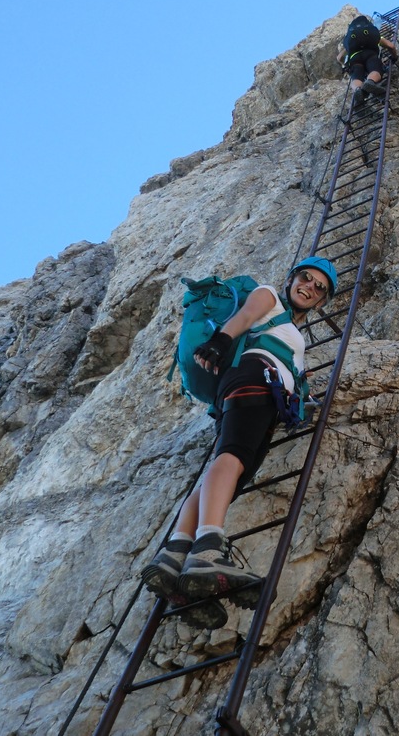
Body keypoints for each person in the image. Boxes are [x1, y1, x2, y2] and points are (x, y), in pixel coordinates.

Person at [141, 256, 339, 628]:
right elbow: (246, 316)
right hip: (256, 378)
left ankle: (175, 553)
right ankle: (207, 550)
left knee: (230, 467)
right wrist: (220, 342)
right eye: (305, 278)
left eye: (319, 288)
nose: (309, 287)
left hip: (259, 389)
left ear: (322, 300)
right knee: (235, 455)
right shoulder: (269, 297)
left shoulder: (291, 332)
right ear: (291, 278)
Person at [336, 15, 398, 107]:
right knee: (375, 70)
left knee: (356, 77)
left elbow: (339, 58)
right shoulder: (374, 36)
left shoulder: (351, 43)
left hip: (354, 59)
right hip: (370, 54)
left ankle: (357, 90)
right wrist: (394, 57)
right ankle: (370, 82)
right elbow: (391, 46)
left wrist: (345, 66)